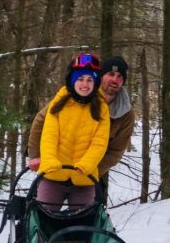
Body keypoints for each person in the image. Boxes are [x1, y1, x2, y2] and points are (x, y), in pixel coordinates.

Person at [28, 54, 135, 201]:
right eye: (110, 74)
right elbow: (42, 122)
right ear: (101, 76)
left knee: (88, 216)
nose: (114, 79)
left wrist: (90, 168)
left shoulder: (125, 114)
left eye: (119, 76)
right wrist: (37, 156)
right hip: (55, 168)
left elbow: (115, 151)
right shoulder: (76, 94)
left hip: (89, 171)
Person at [36, 52, 110, 211]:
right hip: (53, 175)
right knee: (43, 219)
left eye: (90, 80)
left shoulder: (102, 108)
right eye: (81, 79)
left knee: (81, 226)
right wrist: (49, 160)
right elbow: (49, 135)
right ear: (72, 80)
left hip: (84, 179)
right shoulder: (59, 103)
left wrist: (86, 165)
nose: (85, 84)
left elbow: (100, 142)